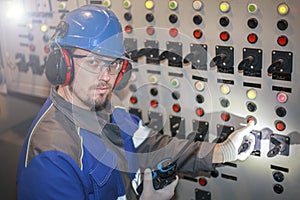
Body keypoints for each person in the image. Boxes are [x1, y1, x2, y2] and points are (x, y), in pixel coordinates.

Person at [16, 4, 255, 200]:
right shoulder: (51, 157)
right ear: (62, 65)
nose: (106, 77)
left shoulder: (108, 110)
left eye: (113, 64)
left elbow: (150, 145)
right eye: (93, 62)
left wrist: (222, 151)